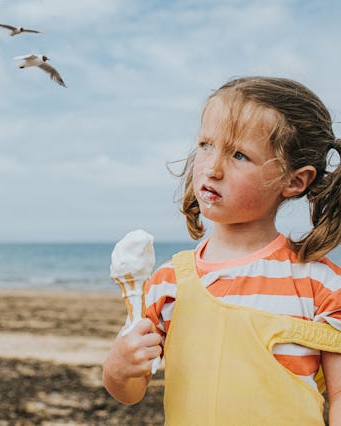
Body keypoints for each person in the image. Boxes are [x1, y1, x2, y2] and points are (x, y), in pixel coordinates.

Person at [103, 77, 341, 425]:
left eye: (239, 154)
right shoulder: (169, 283)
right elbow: (130, 391)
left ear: (294, 181)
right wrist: (119, 367)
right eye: (205, 144)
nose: (212, 167)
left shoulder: (320, 285)